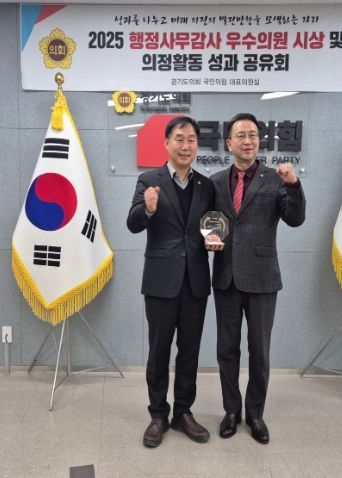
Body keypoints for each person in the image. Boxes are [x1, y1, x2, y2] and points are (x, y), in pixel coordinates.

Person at [209, 113, 306, 444]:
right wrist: (209, 238)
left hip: (263, 279)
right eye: (241, 135)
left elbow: (295, 218)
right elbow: (209, 221)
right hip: (225, 277)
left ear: (259, 141)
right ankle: (231, 412)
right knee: (226, 350)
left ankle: (255, 414)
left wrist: (293, 185)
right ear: (229, 143)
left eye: (252, 135)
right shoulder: (216, 181)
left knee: (259, 351)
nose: (247, 140)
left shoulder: (275, 179)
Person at [127, 116, 213, 448]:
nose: (185, 145)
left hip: (195, 282)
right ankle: (158, 415)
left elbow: (213, 226)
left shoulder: (206, 185)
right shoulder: (149, 179)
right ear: (166, 143)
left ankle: (183, 413)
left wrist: (215, 239)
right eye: (179, 139)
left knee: (189, 352)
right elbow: (133, 222)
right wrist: (148, 209)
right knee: (159, 351)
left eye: (191, 139)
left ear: (197, 145)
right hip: (161, 281)